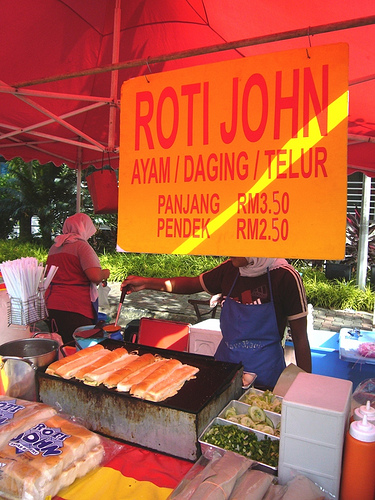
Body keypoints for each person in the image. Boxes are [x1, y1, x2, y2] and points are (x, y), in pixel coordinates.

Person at [121, 257, 311, 390]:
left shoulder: (285, 277)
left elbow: (301, 339)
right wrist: (147, 283)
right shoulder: (230, 269)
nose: (229, 250)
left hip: (266, 376)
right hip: (225, 369)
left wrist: (305, 389)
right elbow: (192, 284)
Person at [45, 213, 110, 344]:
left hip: (52, 306)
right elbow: (95, 276)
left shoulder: (55, 247)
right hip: (75, 308)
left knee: (60, 349)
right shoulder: (81, 246)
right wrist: (105, 273)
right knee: (76, 349)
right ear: (84, 228)